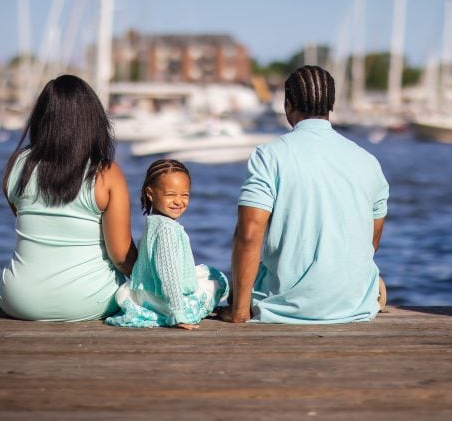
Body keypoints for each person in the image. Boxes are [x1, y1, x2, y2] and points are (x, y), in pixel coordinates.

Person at [220, 65, 389, 324]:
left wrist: (239, 311)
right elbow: (371, 241)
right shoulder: (369, 161)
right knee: (377, 283)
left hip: (283, 308)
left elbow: (249, 235)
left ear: (288, 104)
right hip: (355, 307)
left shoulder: (269, 156)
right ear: (331, 105)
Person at [0, 74, 137, 321]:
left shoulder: (17, 164)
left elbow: (24, 217)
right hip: (89, 301)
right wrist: (153, 280)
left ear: (42, 120)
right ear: (93, 122)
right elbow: (121, 256)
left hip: (18, 300)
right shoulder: (106, 174)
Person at [106, 159, 229, 329]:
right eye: (170, 195)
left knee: (202, 272)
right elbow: (169, 275)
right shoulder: (167, 230)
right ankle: (180, 309)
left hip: (147, 293)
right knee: (217, 279)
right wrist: (178, 315)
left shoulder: (153, 222)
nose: (178, 201)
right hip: (164, 301)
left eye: (184, 195)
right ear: (150, 193)